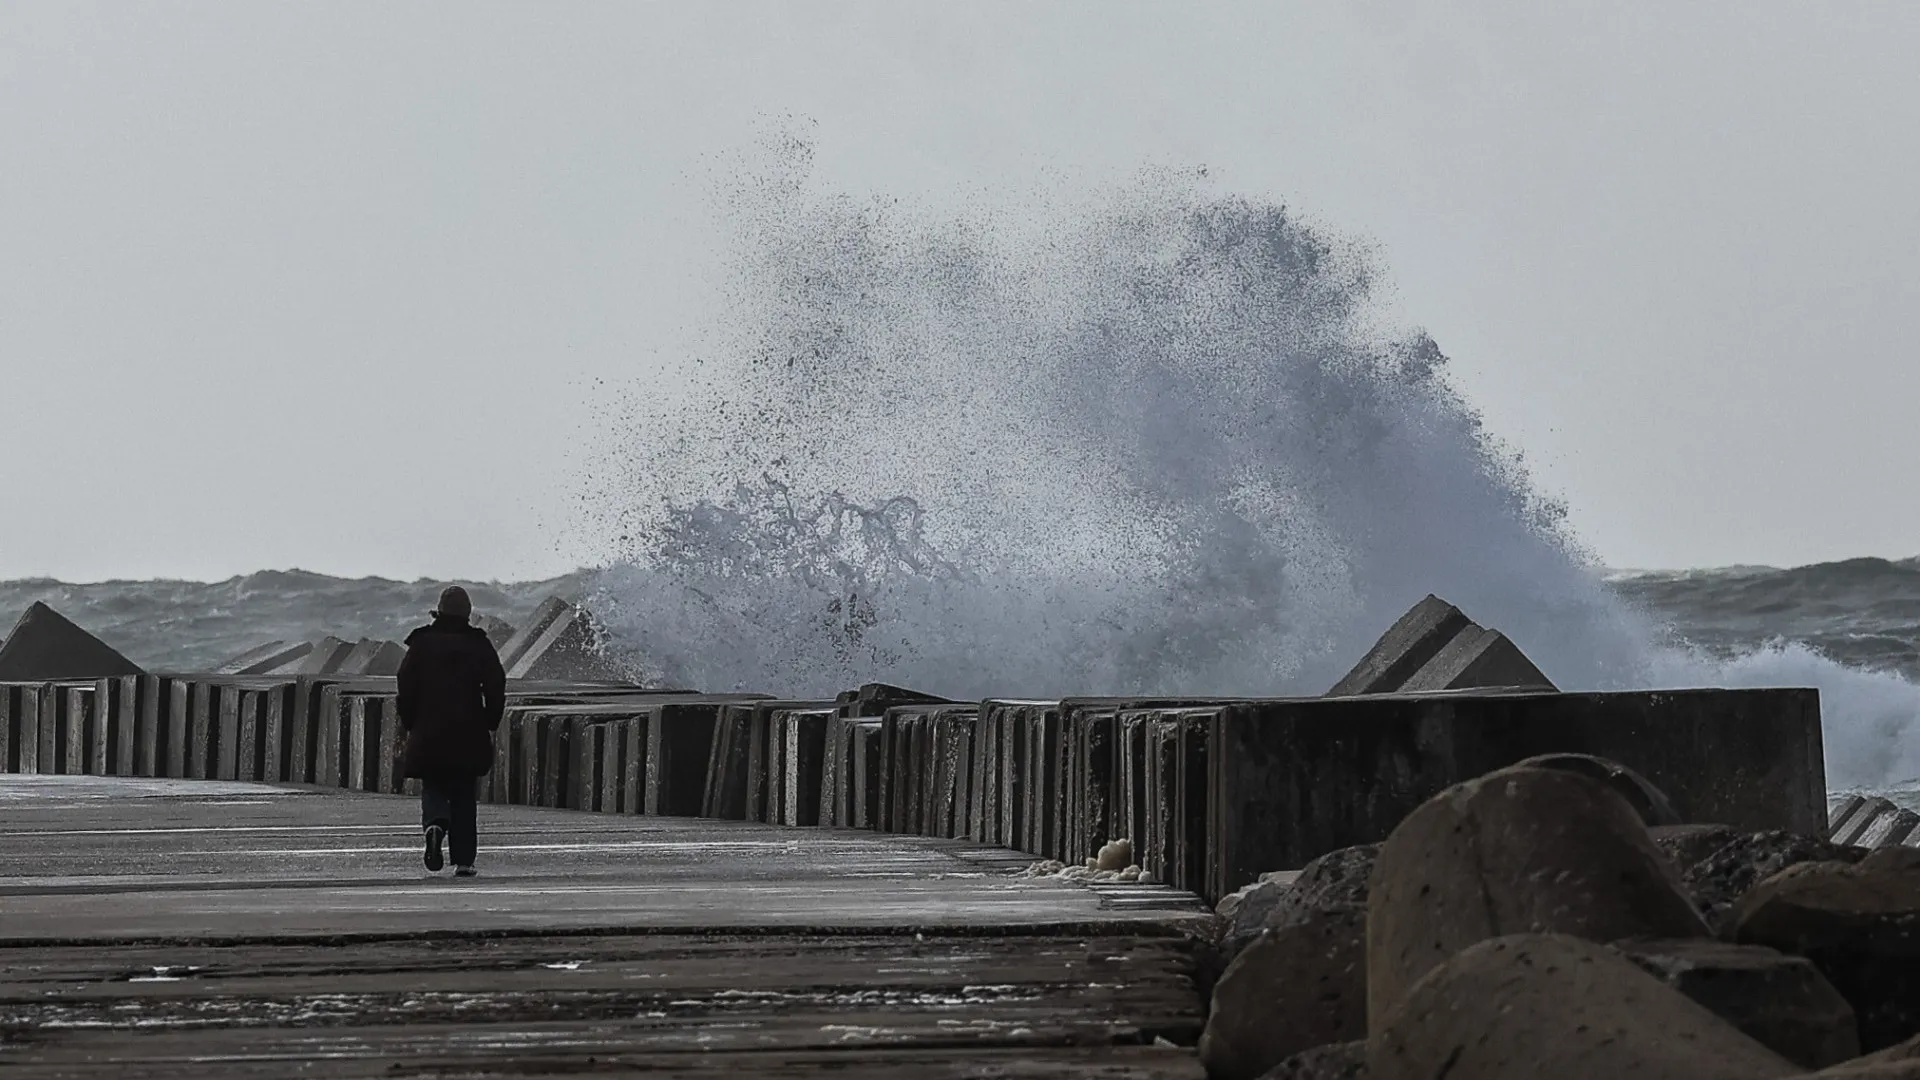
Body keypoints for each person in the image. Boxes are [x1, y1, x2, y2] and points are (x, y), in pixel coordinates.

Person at [395, 585, 506, 877]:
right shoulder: (478, 643)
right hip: (468, 728)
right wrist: (490, 720)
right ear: (468, 614)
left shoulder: (421, 643)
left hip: (428, 729)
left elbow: (404, 685)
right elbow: (496, 684)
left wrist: (410, 721)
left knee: (433, 783)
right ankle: (465, 860)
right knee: (463, 792)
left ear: (439, 612)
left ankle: (434, 824)